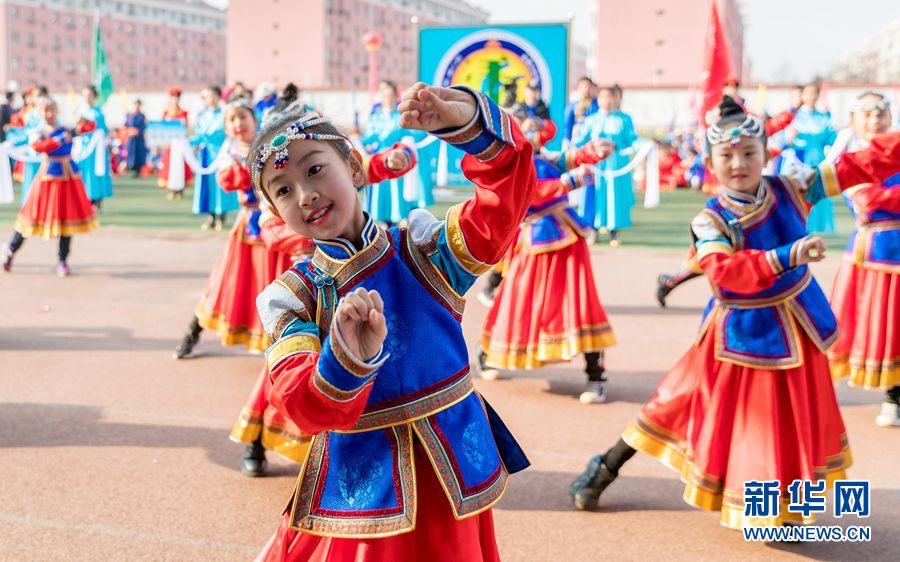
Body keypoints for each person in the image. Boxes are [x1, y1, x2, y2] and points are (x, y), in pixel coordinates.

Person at [569, 96, 900, 530]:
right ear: (710, 161)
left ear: (766, 155)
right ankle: (606, 465)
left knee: (791, 417)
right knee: (678, 401)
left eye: (749, 153)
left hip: (797, 329)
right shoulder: (711, 219)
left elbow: (865, 163)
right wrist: (786, 256)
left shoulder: (793, 186)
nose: (739, 163)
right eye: (726, 155)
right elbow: (723, 273)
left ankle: (780, 505)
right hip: (739, 334)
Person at [250, 82, 534, 561]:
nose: (306, 194)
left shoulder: (422, 251)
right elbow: (299, 403)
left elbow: (503, 205)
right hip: (365, 497)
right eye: (283, 190)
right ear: (274, 211)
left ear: (356, 168)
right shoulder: (294, 298)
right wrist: (346, 356)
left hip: (451, 478)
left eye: (316, 168)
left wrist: (463, 121)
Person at [477, 106, 618, 404]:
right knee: (515, 301)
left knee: (577, 303)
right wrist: (568, 183)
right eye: (518, 126)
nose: (527, 132)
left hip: (565, 237)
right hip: (531, 239)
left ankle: (596, 375)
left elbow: (567, 158)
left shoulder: (539, 156)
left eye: (529, 127)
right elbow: (525, 193)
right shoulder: (500, 164)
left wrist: (592, 150)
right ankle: (488, 354)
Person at [826, 91, 900, 427]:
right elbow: (870, 200)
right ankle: (891, 396)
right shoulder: (848, 160)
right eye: (868, 114)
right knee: (876, 326)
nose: (875, 120)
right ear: (854, 121)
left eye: (881, 113)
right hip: (874, 258)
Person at [2, 97, 97, 276]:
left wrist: (83, 120)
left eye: (52, 110)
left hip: (68, 179)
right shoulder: (40, 132)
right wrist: (59, 140)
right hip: (48, 180)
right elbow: (39, 147)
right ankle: (10, 251)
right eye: (46, 110)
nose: (50, 114)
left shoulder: (67, 129)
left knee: (66, 219)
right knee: (31, 217)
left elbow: (91, 127)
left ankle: (62, 260)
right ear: (40, 113)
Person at [573, 85, 639, 245]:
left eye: (610, 97)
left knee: (614, 198)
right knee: (593, 195)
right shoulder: (591, 120)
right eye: (603, 97)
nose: (607, 101)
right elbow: (580, 141)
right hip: (595, 166)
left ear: (616, 99)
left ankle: (613, 233)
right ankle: (592, 231)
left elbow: (632, 140)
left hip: (616, 165)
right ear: (599, 99)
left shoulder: (624, 119)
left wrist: (645, 146)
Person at [361, 79, 429, 226]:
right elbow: (368, 137)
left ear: (395, 95)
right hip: (380, 158)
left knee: (398, 193)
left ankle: (402, 220)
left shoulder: (401, 114)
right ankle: (385, 221)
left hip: (397, 157)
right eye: (384, 94)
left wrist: (423, 126)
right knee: (381, 191)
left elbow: (416, 133)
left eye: (390, 94)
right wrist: (363, 141)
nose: (387, 97)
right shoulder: (376, 115)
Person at [783, 82, 837, 233]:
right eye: (808, 93)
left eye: (814, 93)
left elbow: (833, 139)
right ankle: (795, 226)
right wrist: (790, 138)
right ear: (802, 95)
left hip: (818, 162)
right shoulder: (793, 117)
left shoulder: (823, 118)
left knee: (819, 193)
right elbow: (784, 139)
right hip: (798, 162)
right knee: (795, 194)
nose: (811, 96)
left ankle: (817, 227)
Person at [191, 85, 237, 231]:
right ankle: (210, 217)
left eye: (212, 96)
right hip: (206, 156)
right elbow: (199, 136)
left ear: (218, 97)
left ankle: (221, 217)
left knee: (221, 184)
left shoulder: (225, 114)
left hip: (221, 153)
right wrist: (183, 142)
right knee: (208, 186)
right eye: (206, 96)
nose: (209, 99)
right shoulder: (201, 115)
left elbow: (229, 134)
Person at [78, 85, 113, 211]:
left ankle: (96, 199)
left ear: (94, 96)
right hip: (83, 148)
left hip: (96, 148)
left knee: (96, 172)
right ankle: (83, 200)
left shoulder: (98, 112)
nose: (87, 98)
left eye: (90, 95)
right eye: (85, 95)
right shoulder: (79, 111)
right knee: (83, 172)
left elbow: (103, 129)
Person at [564, 77, 599, 149]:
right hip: (576, 137)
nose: (586, 89)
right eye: (583, 86)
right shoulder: (573, 105)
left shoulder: (596, 104)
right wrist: (566, 140)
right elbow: (568, 124)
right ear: (578, 88)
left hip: (591, 139)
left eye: (588, 86)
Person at [123, 99, 147, 178]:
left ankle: (138, 170)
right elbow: (126, 125)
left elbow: (144, 127)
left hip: (138, 138)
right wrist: (129, 131)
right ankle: (130, 167)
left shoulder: (142, 116)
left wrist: (137, 131)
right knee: (130, 153)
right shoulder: (129, 116)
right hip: (131, 139)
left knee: (139, 153)